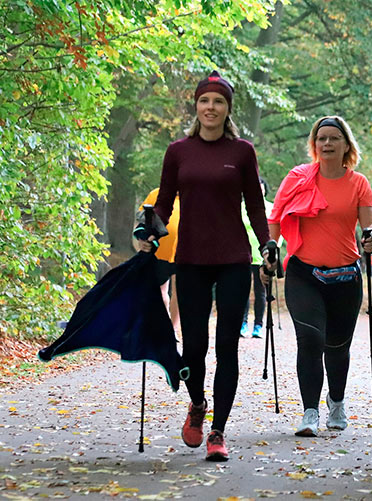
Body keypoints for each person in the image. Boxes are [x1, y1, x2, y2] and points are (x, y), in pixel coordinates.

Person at [139, 70, 270, 462]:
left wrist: (267, 244)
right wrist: (151, 227)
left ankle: (218, 431)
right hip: (191, 259)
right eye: (204, 101)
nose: (210, 107)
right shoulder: (178, 151)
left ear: (228, 109)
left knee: (227, 346)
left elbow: (255, 205)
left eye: (218, 101)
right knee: (194, 346)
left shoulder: (242, 152)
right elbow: (164, 202)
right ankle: (197, 403)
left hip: (233, 259)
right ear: (196, 106)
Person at [262, 115, 372, 437]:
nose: (327, 144)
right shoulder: (298, 178)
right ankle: (310, 412)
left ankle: (337, 402)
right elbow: (275, 218)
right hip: (304, 273)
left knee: (338, 346)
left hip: (345, 277)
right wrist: (271, 248)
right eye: (321, 139)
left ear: (346, 145)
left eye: (333, 138)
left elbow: (371, 223)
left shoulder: (358, 183)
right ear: (314, 145)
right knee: (311, 339)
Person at [135, 188, 181, 335]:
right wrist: (141, 238)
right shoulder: (157, 194)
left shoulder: (194, 194)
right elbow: (142, 221)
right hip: (158, 251)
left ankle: (172, 331)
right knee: (159, 291)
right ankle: (160, 324)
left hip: (184, 252)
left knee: (179, 292)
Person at [240, 177, 273, 339]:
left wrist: (273, 251)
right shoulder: (240, 207)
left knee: (260, 292)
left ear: (265, 190)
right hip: (243, 254)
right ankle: (243, 323)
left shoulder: (271, 208)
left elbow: (276, 232)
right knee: (243, 291)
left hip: (262, 256)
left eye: (261, 189)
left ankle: (258, 325)